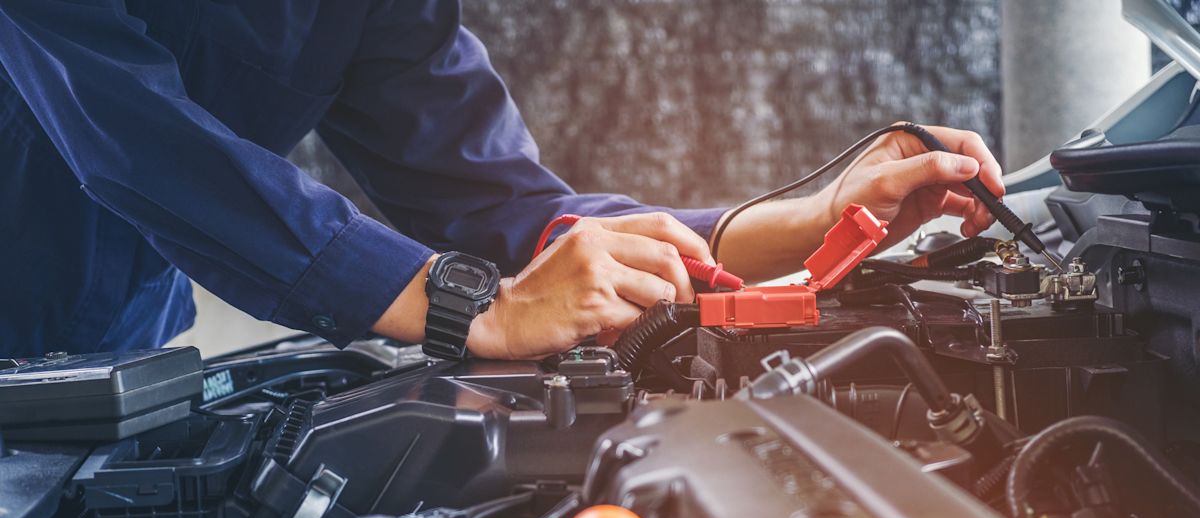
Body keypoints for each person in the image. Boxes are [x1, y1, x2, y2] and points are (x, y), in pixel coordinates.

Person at [0, 0, 1001, 360]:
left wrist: (814, 223)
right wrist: (466, 308)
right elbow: (135, 139)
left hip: (101, 371)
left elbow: (500, 202)